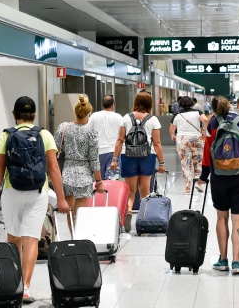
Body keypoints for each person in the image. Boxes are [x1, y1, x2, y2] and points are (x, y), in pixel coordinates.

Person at [0, 96, 69, 303]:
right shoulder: (45, 134)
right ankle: (26, 288)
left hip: (12, 192)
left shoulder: (7, 135)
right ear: (34, 115)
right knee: (31, 239)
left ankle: (14, 283)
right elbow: (54, 169)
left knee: (14, 239)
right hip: (37, 193)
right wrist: (62, 199)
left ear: (14, 115)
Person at [196, 96, 239, 274]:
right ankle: (236, 262)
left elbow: (207, 153)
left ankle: (223, 259)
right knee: (238, 219)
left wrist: (204, 175)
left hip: (219, 178)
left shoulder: (212, 124)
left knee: (221, 218)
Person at [114, 92, 167, 232]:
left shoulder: (126, 117)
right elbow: (157, 143)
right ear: (150, 103)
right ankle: (143, 219)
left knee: (131, 190)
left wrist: (114, 159)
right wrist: (161, 163)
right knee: (145, 190)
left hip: (128, 155)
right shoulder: (153, 119)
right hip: (147, 156)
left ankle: (129, 210)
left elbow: (120, 140)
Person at [54, 95, 104, 231]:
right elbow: (94, 159)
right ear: (89, 114)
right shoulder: (91, 132)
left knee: (70, 212)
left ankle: (73, 237)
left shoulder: (63, 128)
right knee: (80, 212)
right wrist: (99, 181)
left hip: (67, 174)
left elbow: (55, 151)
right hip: (84, 176)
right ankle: (80, 237)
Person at [170, 96, 209, 194]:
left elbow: (171, 130)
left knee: (185, 164)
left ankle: (187, 189)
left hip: (182, 140)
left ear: (180, 105)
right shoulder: (197, 113)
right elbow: (206, 120)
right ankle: (198, 183)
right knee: (198, 162)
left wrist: (173, 136)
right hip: (196, 139)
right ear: (192, 103)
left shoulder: (177, 115)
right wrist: (204, 131)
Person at [86, 95, 123, 179]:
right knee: (111, 180)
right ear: (113, 105)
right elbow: (122, 137)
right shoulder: (119, 117)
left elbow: (87, 133)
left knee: (99, 180)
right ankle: (110, 192)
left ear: (102, 105)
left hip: (98, 152)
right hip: (114, 152)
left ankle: (101, 192)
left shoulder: (94, 116)